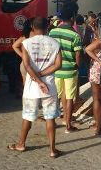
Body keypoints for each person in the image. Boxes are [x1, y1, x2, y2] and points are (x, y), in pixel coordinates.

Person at [8, 17, 62, 158]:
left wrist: (38, 80)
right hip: (50, 86)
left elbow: (26, 65)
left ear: (32, 26)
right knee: (50, 118)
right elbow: (58, 65)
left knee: (28, 117)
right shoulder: (55, 43)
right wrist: (43, 77)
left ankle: (21, 144)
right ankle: (52, 150)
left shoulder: (27, 43)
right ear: (48, 26)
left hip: (31, 88)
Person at [49, 7, 83, 133]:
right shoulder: (75, 35)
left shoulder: (52, 33)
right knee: (69, 98)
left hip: (56, 70)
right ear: (72, 18)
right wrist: (77, 67)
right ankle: (68, 125)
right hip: (70, 70)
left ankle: (52, 121)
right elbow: (78, 54)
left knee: (57, 96)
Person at [84, 19, 101, 135]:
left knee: (96, 99)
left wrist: (96, 59)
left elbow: (87, 49)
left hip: (95, 69)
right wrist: (100, 60)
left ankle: (98, 125)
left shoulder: (96, 40)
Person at [12, 18, 33, 84]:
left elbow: (14, 46)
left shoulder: (24, 38)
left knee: (26, 84)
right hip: (35, 64)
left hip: (24, 64)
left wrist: (22, 55)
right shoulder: (38, 37)